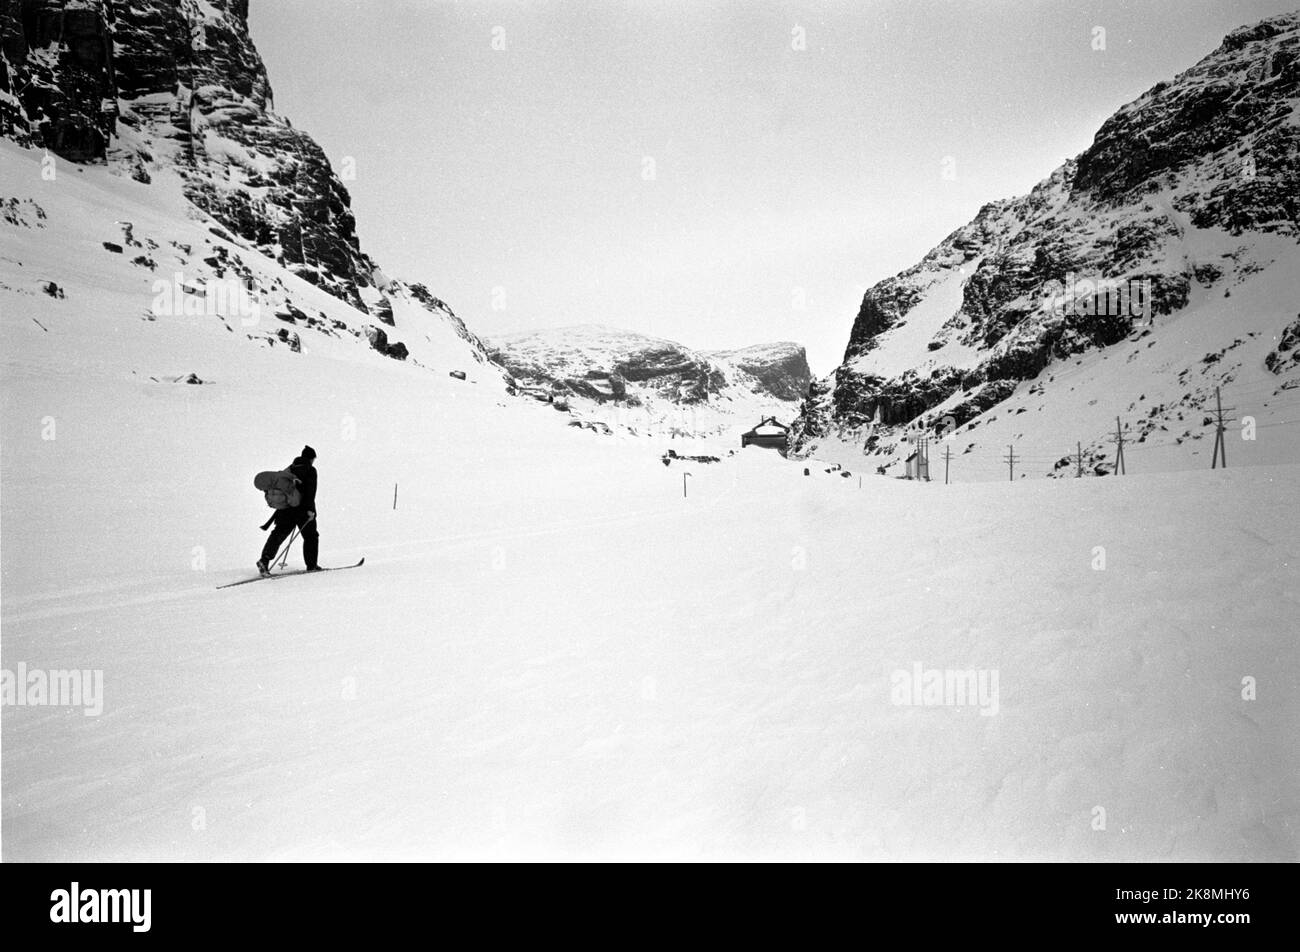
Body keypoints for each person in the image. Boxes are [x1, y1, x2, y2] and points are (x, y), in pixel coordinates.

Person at [257, 445, 320, 574]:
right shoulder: (310, 470)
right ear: (311, 458)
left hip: (285, 509)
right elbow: (310, 492)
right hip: (302, 510)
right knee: (311, 536)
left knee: (278, 535)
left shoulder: (289, 469)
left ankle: (264, 560)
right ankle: (311, 565)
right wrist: (310, 510)